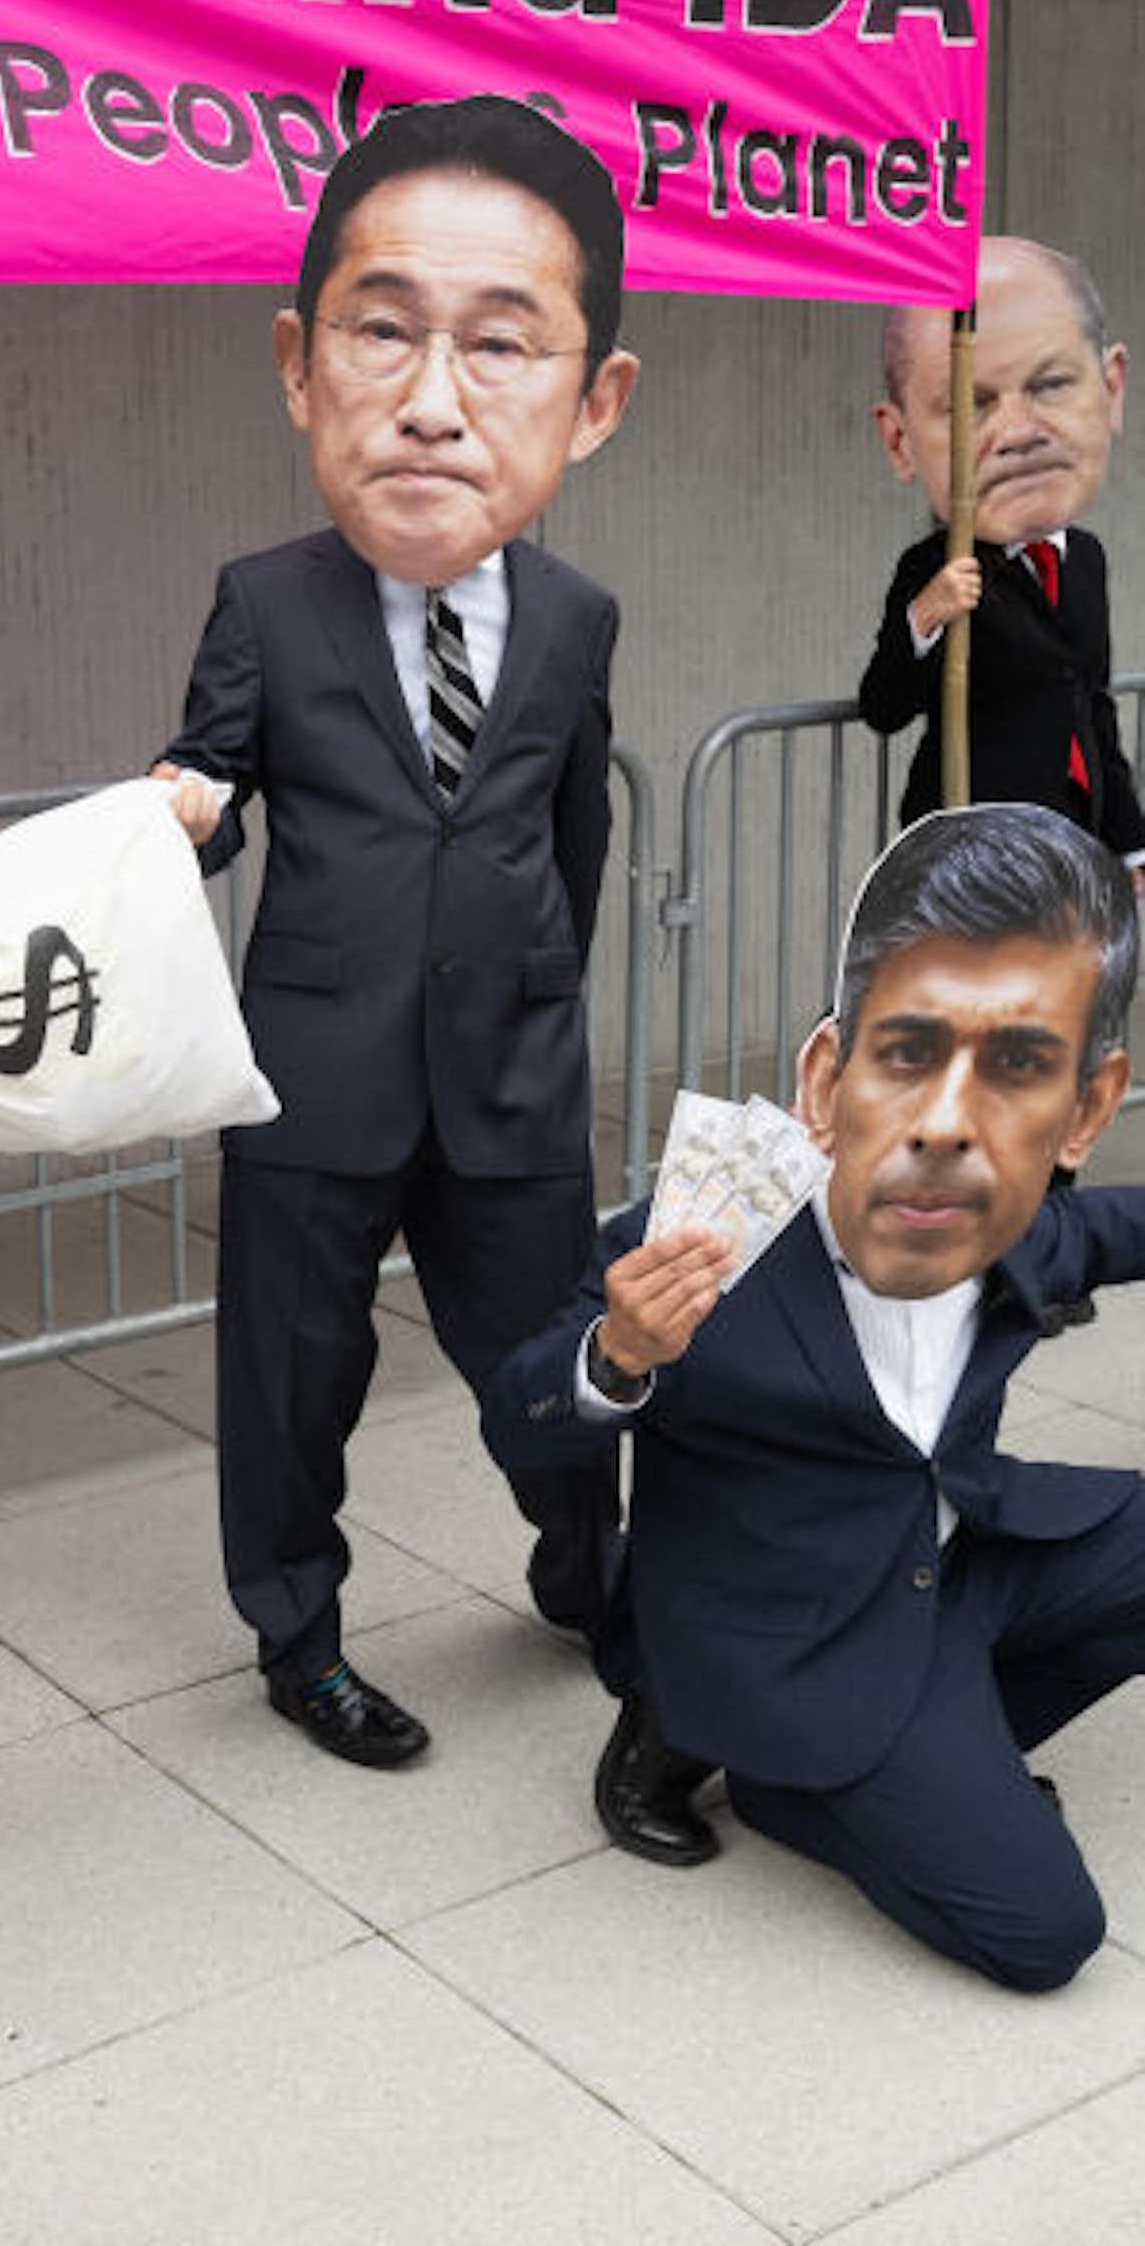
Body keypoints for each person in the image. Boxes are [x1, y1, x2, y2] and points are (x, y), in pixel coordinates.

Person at [156, 96, 640, 1769]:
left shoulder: (577, 619)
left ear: (592, 404)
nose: (435, 402)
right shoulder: (265, 598)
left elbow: (566, 836)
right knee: (290, 1391)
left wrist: (532, 994)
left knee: (565, 1368)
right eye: (385, 332)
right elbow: (211, 774)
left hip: (510, 1071)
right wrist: (184, 810)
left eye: (503, 348)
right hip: (314, 1069)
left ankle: (594, 1582)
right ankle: (300, 1641)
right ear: (305, 364)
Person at [487, 803, 1145, 1990]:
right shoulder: (697, 1236)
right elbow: (516, 1404)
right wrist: (615, 1354)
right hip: (780, 1625)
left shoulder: (1024, 1233)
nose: (946, 1125)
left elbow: (1127, 1226)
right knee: (1045, 1936)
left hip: (952, 1560)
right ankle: (774, 1768)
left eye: (1017, 1069)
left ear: (1085, 1112)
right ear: (826, 1075)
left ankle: (926, 1747)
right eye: (907, 1054)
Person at [857, 236, 1145, 862]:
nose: (1018, 433)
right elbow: (883, 705)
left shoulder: (1087, 559)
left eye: (1051, 385)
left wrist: (1128, 842)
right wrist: (926, 616)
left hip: (1074, 845)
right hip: (976, 858)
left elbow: (1092, 708)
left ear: (1113, 387)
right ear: (900, 440)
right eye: (973, 404)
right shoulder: (934, 567)